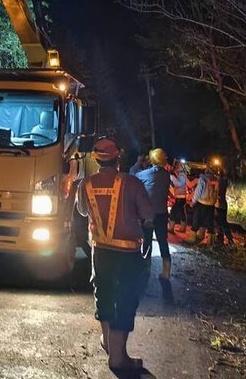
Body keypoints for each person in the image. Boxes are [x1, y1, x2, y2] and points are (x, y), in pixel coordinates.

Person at [76, 137, 153, 372]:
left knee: (104, 292)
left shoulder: (85, 184)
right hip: (128, 252)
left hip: (100, 251)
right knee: (126, 299)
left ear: (97, 159)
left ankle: (109, 344)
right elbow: (148, 214)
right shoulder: (132, 183)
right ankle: (118, 358)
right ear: (117, 158)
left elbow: (81, 210)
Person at [130, 148, 173, 280]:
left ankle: (146, 268)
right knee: (162, 241)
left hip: (148, 215)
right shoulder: (167, 175)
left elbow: (132, 175)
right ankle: (166, 271)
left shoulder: (145, 174)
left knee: (147, 240)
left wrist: (138, 163)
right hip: (162, 214)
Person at [185, 169, 220, 245]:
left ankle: (192, 238)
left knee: (197, 220)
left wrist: (193, 202)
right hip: (211, 205)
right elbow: (217, 192)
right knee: (208, 221)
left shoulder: (202, 179)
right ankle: (210, 242)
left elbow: (198, 192)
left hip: (202, 203)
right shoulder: (215, 180)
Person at [214, 172, 235, 247]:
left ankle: (229, 240)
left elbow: (217, 193)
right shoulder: (229, 182)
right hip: (226, 205)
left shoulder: (220, 182)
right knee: (221, 222)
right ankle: (220, 239)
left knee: (222, 222)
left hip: (220, 205)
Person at [169, 161, 188, 233]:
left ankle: (171, 228)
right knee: (181, 212)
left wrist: (172, 177)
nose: (177, 167)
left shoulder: (182, 175)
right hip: (180, 198)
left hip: (181, 198)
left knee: (173, 212)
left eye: (179, 166)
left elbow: (179, 184)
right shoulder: (180, 174)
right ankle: (183, 228)